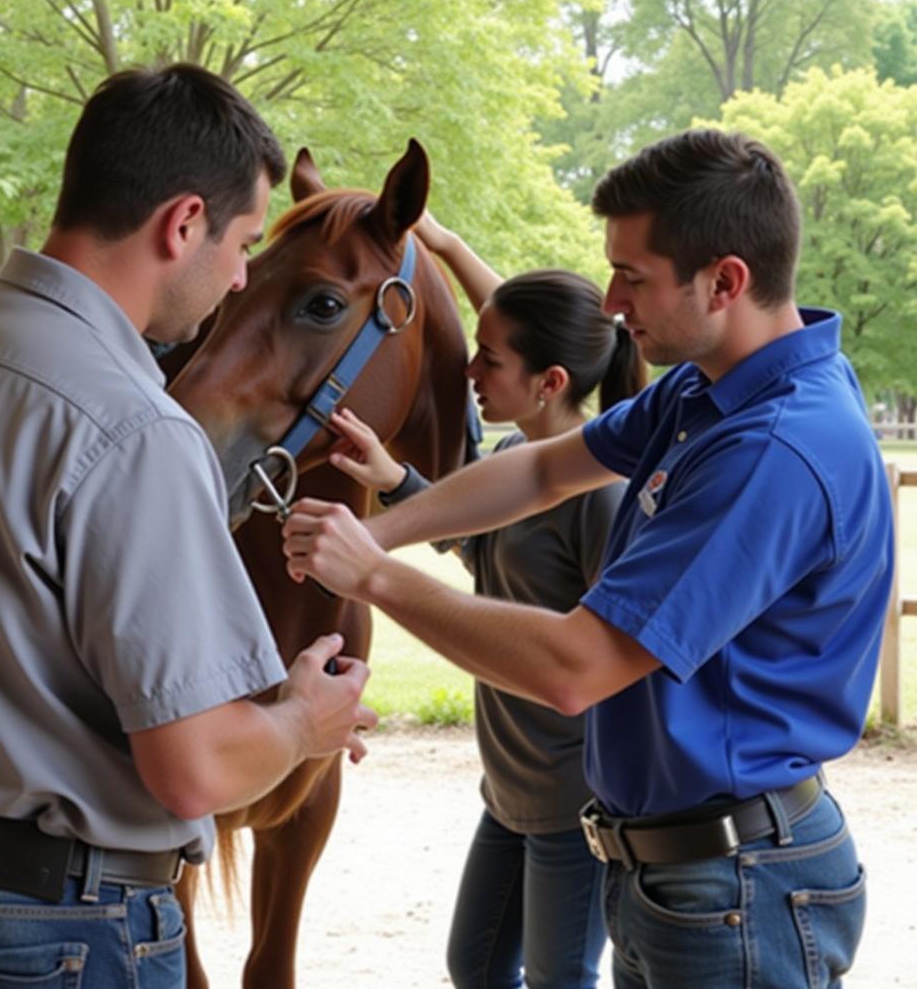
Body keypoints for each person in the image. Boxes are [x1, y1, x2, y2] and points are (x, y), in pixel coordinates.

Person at [281, 129, 894, 988]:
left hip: (736, 888)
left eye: (633, 276)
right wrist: (377, 531)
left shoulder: (773, 449)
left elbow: (578, 667)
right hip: (679, 871)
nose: (610, 301)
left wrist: (376, 577)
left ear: (725, 281)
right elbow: (539, 470)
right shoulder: (706, 390)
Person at [0, 63, 376, 989]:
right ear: (181, 222)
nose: (240, 277)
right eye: (240, 243)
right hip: (67, 931)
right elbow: (193, 771)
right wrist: (304, 721)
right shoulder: (134, 425)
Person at [325, 214, 646, 988]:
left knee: (557, 977)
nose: (470, 371)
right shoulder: (511, 457)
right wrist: (394, 480)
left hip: (577, 803)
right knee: (474, 966)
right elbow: (483, 545)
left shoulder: (602, 496)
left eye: (489, 360)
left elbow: (619, 661)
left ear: (550, 382)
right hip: (510, 789)